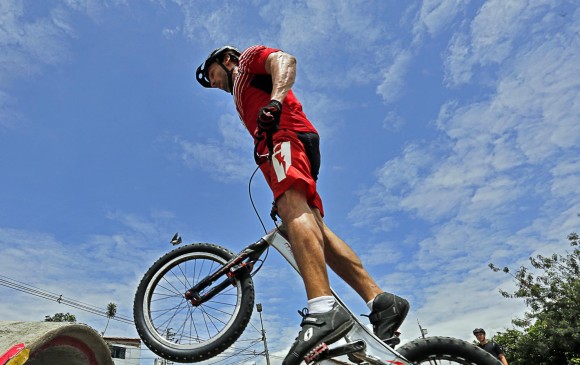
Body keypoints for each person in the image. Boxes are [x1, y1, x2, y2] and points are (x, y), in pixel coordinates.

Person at [196, 45, 409, 365]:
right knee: (313, 227)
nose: (213, 83)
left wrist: (275, 101)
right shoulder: (240, 99)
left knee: (293, 209)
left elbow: (284, 61)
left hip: (286, 133)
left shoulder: (247, 63)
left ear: (227, 61)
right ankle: (380, 301)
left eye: (212, 74)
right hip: (282, 144)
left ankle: (323, 308)